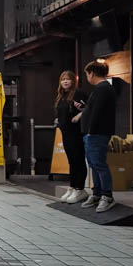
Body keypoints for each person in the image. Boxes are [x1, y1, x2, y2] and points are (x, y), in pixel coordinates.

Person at [80, 60, 118, 212]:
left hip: (97, 132)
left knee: (99, 163)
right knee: (93, 163)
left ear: (92, 73)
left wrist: (91, 130)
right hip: (93, 132)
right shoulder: (101, 88)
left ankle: (107, 195)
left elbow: (97, 112)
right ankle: (97, 193)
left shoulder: (103, 89)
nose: (87, 77)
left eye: (87, 74)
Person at [54, 70, 88, 204]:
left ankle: (80, 188)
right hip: (65, 132)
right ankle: (73, 186)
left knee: (78, 159)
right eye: (63, 79)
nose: (65, 82)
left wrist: (79, 115)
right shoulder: (61, 96)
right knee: (71, 161)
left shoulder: (78, 93)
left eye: (68, 79)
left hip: (76, 132)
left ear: (73, 81)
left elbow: (89, 108)